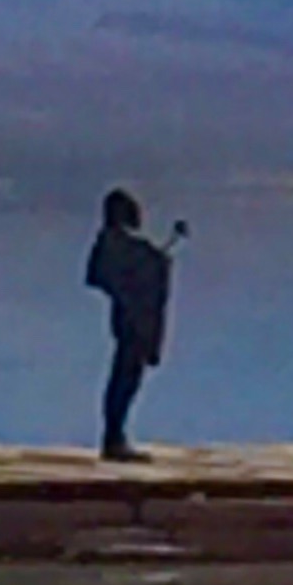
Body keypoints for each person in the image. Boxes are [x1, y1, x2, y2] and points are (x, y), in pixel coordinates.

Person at [85, 188, 184, 463]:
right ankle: (113, 436)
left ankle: (116, 435)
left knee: (128, 377)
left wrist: (153, 261)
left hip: (130, 319)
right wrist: (151, 264)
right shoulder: (115, 243)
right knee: (124, 377)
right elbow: (101, 275)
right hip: (131, 321)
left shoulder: (120, 244)